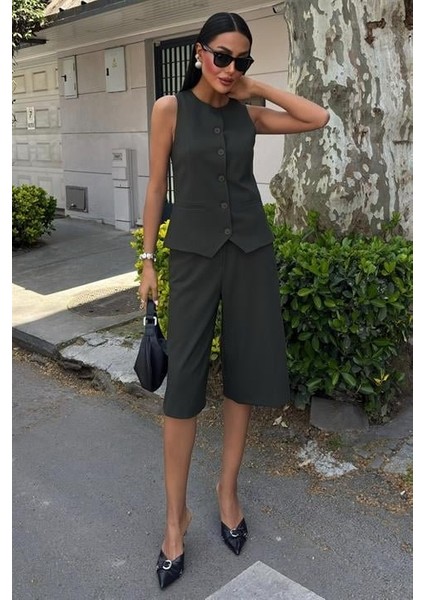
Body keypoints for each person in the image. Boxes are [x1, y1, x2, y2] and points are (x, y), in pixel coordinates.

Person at [138, 11, 329, 590]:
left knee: (243, 375)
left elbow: (317, 117)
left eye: (240, 59)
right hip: (193, 258)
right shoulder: (169, 109)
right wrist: (148, 260)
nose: (229, 67)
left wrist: (256, 86)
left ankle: (227, 492)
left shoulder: (248, 114)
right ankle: (175, 520)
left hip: (250, 252)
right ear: (199, 52)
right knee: (184, 385)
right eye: (221, 56)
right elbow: (156, 186)